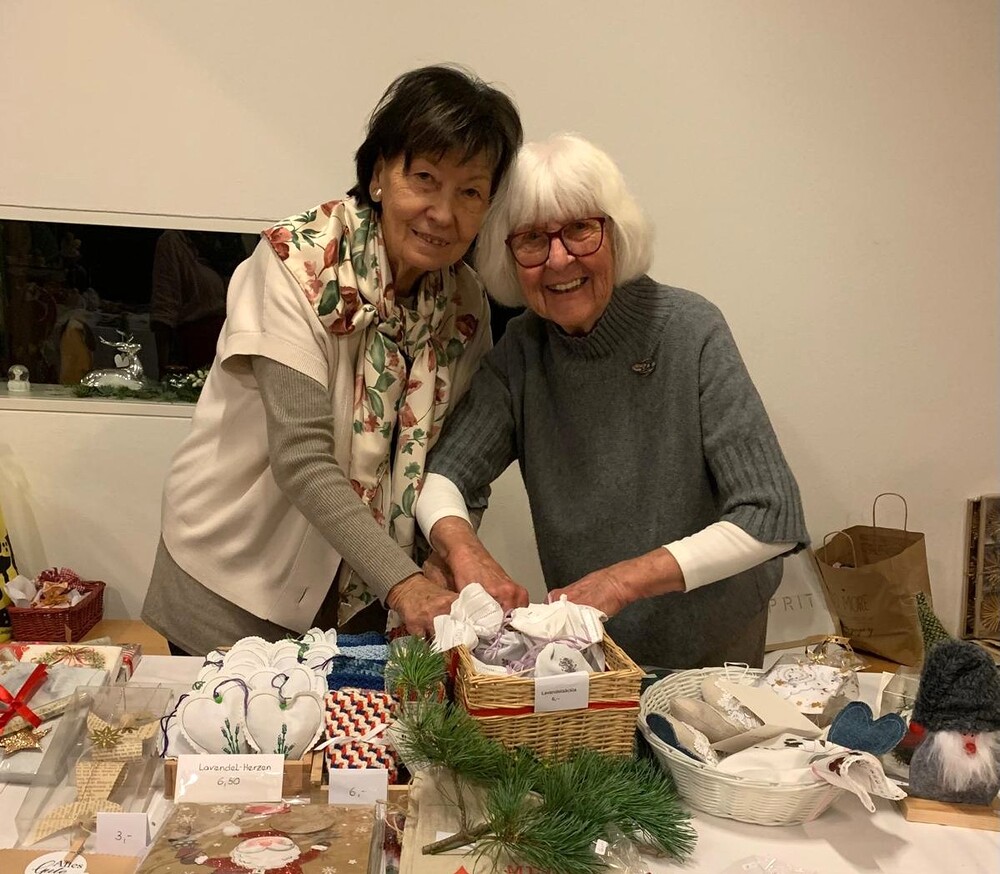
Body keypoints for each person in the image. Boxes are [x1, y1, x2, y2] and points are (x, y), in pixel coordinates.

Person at [141, 65, 522, 656]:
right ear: (378, 175)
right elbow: (302, 458)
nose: (443, 213)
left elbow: (455, 462)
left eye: (469, 192)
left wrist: (446, 552)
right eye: (424, 178)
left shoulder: (465, 305)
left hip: (362, 604)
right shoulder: (298, 263)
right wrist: (406, 583)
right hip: (235, 588)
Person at [415, 134, 809, 669]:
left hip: (712, 638)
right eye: (531, 239)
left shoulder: (690, 329)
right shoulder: (522, 350)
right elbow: (444, 476)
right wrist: (466, 554)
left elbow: (771, 515)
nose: (558, 259)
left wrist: (621, 582)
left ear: (618, 232)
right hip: (593, 646)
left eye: (580, 229)